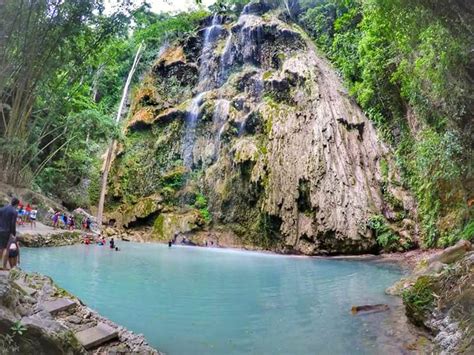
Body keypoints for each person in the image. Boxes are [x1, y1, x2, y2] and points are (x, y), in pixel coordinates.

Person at [0, 198, 19, 270]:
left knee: (1, 248)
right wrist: (13, 234)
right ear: (16, 204)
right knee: (6, 249)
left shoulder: (2, 209)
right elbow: (13, 224)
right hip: (7, 232)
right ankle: (3, 266)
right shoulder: (14, 211)